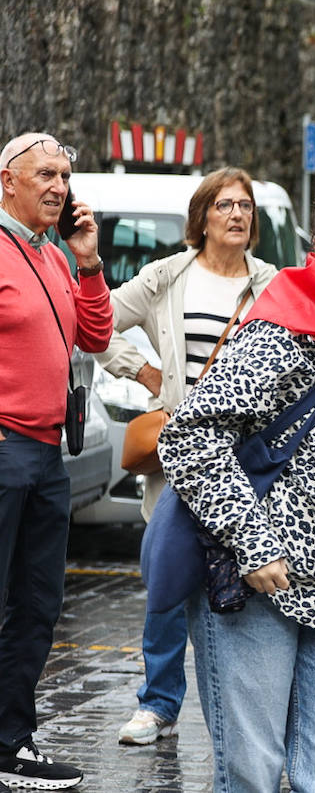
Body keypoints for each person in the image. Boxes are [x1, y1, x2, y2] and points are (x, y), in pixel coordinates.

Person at [160, 158, 315, 792]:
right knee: (251, 775)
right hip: (257, 587)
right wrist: (253, 541)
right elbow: (188, 437)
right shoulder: (282, 328)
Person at [97, 168, 277, 747]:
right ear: (201, 217)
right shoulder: (167, 276)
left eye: (245, 207)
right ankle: (158, 704)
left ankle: (243, 706)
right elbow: (95, 324)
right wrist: (144, 370)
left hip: (247, 456)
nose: (237, 215)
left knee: (239, 581)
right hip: (181, 450)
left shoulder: (272, 283)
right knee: (168, 578)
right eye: (225, 205)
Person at [0, 132, 111, 791]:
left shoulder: (54, 255)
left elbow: (94, 335)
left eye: (65, 175)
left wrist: (90, 262)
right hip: (7, 449)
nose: (58, 186)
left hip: (46, 456)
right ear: (6, 179)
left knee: (38, 605)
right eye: (45, 173)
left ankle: (11, 744)